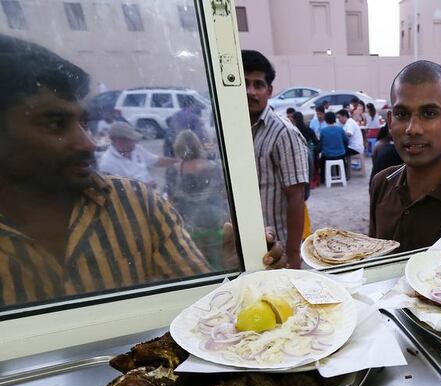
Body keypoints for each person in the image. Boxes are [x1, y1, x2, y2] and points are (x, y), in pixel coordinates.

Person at [0, 36, 285, 309]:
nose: (86, 143)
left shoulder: (138, 205)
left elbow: (203, 310)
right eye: (55, 124)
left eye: (83, 124)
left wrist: (230, 273)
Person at [369, 60, 441, 252]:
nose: (413, 129)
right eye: (402, 114)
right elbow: (371, 260)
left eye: (428, 113)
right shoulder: (382, 184)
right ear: (390, 122)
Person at [242, 49, 309, 269]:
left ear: (269, 90)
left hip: (275, 251)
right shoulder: (234, 131)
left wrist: (293, 257)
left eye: (258, 85)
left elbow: (297, 198)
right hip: (243, 244)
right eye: (244, 83)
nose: (251, 91)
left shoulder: (283, 133)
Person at [165, 130, 229, 268]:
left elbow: (170, 202)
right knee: (219, 262)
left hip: (190, 227)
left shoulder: (173, 171)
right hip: (216, 223)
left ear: (178, 148)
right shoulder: (215, 167)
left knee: (198, 264)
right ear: (197, 145)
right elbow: (224, 195)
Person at [98, 122, 176, 190]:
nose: (134, 142)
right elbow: (117, 192)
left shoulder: (136, 149)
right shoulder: (107, 163)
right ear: (118, 141)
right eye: (131, 139)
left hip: (150, 194)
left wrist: (180, 162)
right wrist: (143, 187)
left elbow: (157, 161)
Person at [318, 111, 348, 181]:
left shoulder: (323, 130)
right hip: (340, 154)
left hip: (328, 155)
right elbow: (346, 141)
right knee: (343, 159)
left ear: (325, 120)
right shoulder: (340, 129)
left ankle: (323, 178)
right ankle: (344, 175)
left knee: (322, 161)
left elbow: (321, 143)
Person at [336, 109, 364, 177]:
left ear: (344, 116)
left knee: (339, 153)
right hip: (351, 146)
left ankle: (344, 174)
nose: (339, 119)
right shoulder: (346, 123)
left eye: (339, 117)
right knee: (339, 151)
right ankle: (342, 172)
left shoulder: (350, 122)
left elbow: (349, 134)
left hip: (355, 147)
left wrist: (340, 134)